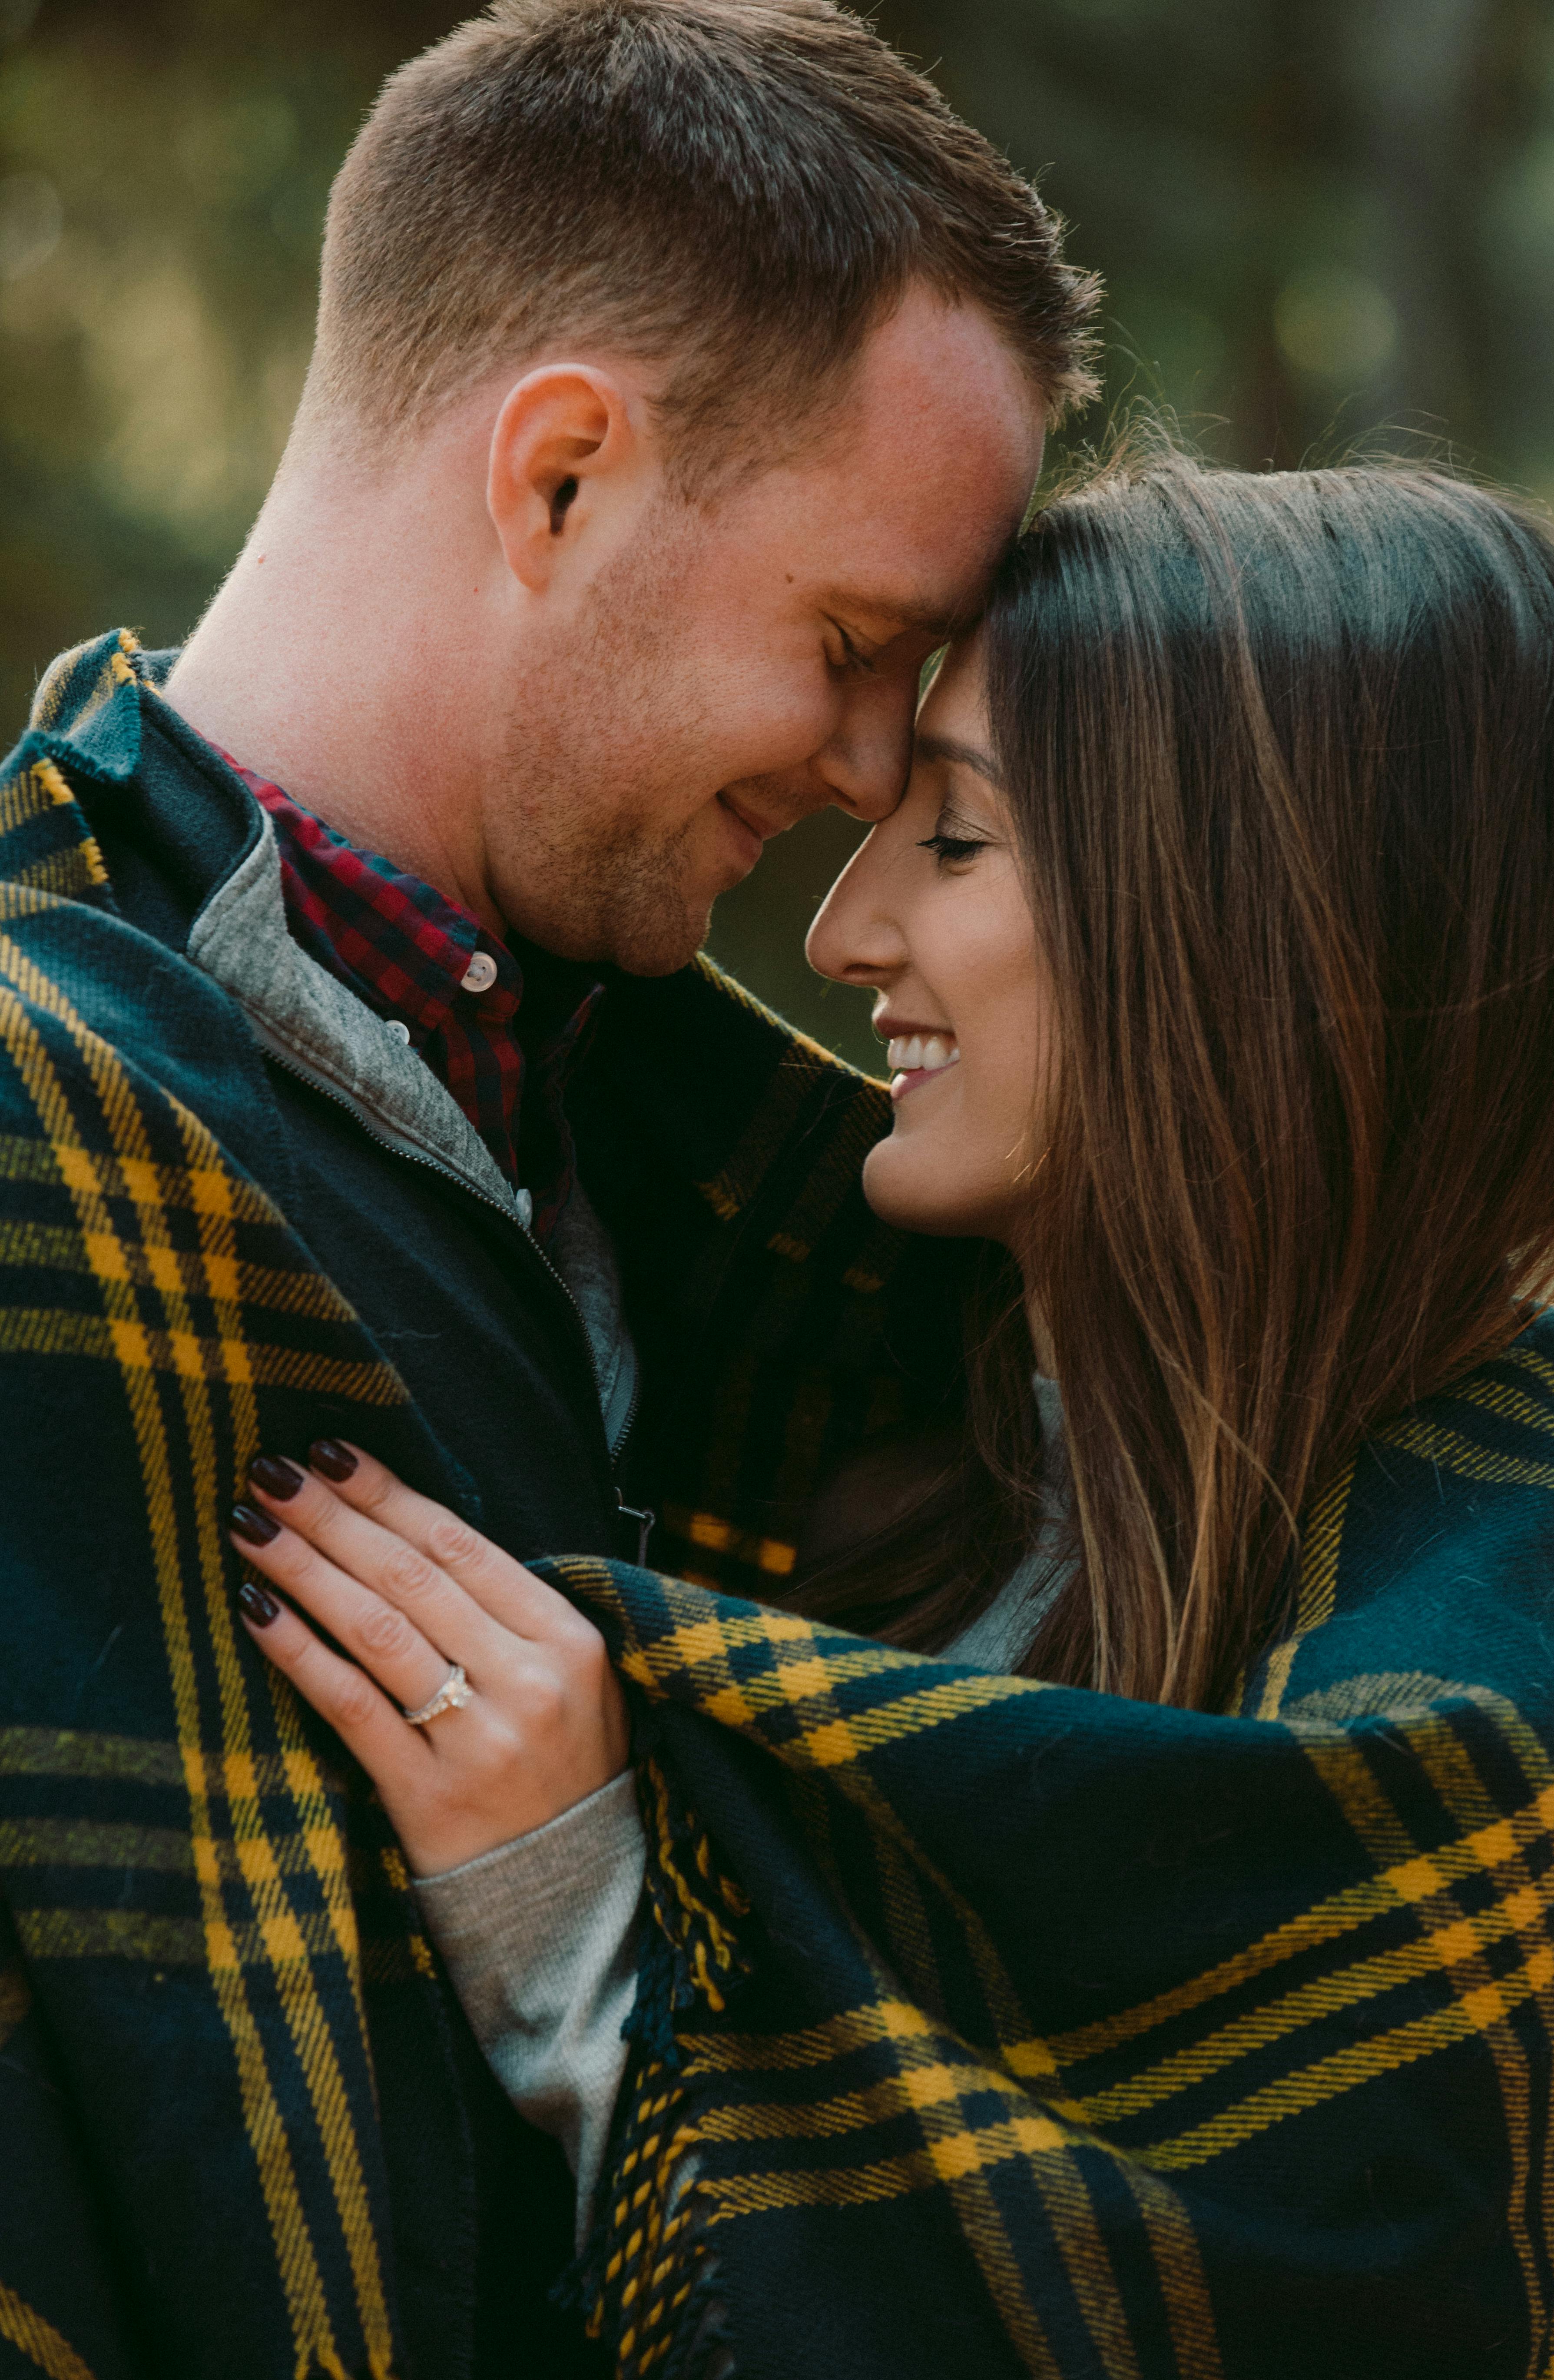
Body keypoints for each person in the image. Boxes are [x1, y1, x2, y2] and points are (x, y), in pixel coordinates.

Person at [229, 449, 1554, 2378]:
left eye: (955, 842)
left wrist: (588, 1923)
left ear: (1249, 937)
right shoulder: (817, 1420)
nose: (846, 930)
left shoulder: (1463, 1735)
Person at [0, 3, 1099, 2370]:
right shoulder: (42, 1135)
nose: (863, 773)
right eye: (850, 646)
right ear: (563, 475)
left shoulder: (722, 1168)